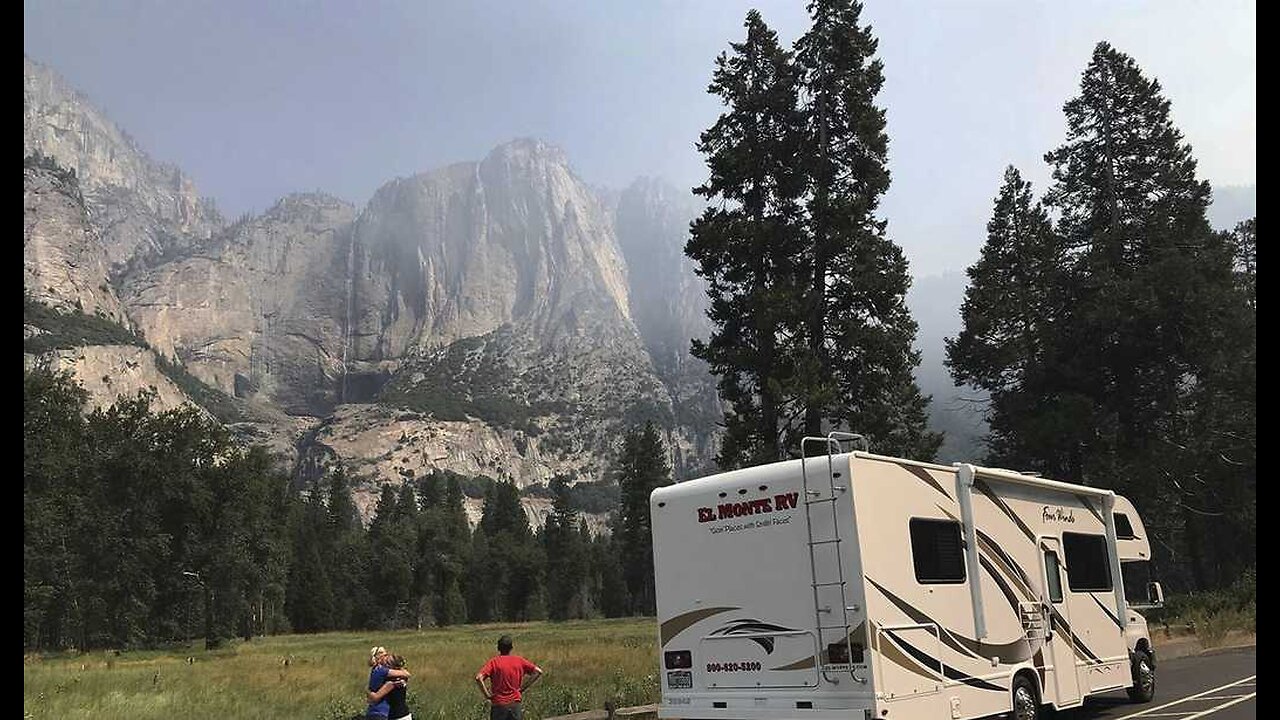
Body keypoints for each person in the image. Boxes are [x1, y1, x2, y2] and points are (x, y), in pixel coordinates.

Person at [475, 635, 543, 720]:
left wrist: (487, 695)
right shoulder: (519, 660)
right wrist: (522, 689)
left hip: (498, 705)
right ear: (511, 648)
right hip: (515, 704)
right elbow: (538, 671)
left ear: (498, 648)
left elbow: (478, 678)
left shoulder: (494, 662)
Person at [366, 646, 411, 720]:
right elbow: (407, 674)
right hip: (399, 714)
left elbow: (374, 698)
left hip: (394, 715)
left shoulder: (389, 680)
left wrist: (369, 693)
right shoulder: (395, 676)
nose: (386, 659)